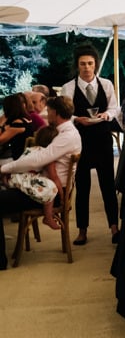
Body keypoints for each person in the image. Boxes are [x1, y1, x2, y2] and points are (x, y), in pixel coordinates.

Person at [0, 96, 81, 270]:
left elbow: (38, 160)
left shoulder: (66, 136)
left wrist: (5, 169)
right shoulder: (63, 132)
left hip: (50, 193)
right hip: (44, 188)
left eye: (48, 111)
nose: (46, 113)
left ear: (55, 113)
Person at [60, 43, 120, 245]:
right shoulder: (68, 87)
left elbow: (115, 108)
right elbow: (64, 115)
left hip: (102, 138)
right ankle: (82, 230)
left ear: (95, 65)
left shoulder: (106, 84)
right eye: (83, 64)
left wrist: (107, 115)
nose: (86, 67)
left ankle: (114, 227)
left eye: (90, 63)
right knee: (82, 186)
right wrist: (77, 119)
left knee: (108, 185)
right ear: (77, 65)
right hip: (80, 141)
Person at [3, 125, 63, 229]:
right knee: (51, 188)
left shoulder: (31, 149)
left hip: (14, 177)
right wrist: (62, 195)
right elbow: (53, 176)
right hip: (24, 179)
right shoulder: (47, 155)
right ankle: (48, 217)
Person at [0, 93, 35, 163]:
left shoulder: (18, 124)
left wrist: (1, 123)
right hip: (21, 156)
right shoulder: (26, 120)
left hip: (14, 158)